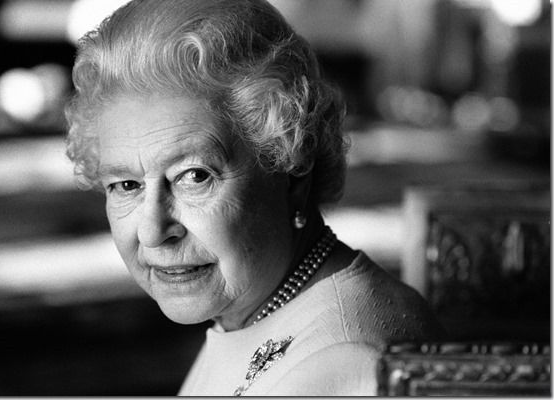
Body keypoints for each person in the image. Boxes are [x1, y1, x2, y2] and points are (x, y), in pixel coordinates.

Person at [65, 0, 444, 395]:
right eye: (126, 185)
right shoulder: (251, 311)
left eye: (194, 177)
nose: (152, 231)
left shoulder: (348, 365)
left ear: (293, 169)